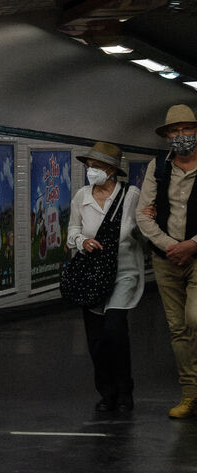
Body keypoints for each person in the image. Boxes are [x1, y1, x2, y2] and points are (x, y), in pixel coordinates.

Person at [66, 142, 144, 415]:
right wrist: (82, 241)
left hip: (123, 273)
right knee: (96, 339)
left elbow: (143, 230)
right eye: (90, 165)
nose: (91, 170)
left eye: (97, 166)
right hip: (92, 276)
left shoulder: (131, 195)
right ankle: (106, 392)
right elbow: (72, 229)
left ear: (112, 170)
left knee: (114, 330)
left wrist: (148, 224)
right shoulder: (81, 197)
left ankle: (125, 391)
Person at [135, 104, 197, 420]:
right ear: (166, 137)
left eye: (186, 129)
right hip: (166, 258)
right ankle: (190, 394)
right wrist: (171, 246)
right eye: (174, 131)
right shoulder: (157, 167)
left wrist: (192, 245)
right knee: (178, 329)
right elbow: (143, 215)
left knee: (195, 317)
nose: (180, 135)